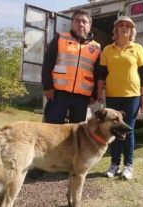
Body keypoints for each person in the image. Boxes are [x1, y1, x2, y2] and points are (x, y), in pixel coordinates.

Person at [27, 9, 101, 179]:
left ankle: (69, 165)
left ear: (90, 25)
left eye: (84, 21)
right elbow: (47, 64)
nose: (80, 24)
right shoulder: (60, 38)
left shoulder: (96, 47)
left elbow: (97, 74)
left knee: (76, 134)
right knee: (49, 131)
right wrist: (48, 87)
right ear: (72, 23)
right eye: (77, 21)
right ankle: (40, 165)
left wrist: (94, 94)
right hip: (58, 94)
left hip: (82, 97)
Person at [97, 16, 143, 180]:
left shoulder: (138, 48)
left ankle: (128, 166)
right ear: (116, 30)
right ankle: (114, 164)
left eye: (128, 26)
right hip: (112, 95)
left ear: (132, 31)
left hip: (132, 96)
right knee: (114, 130)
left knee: (128, 130)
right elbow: (101, 73)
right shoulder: (107, 49)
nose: (124, 27)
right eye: (121, 25)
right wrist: (99, 91)